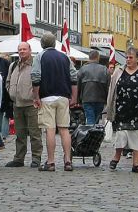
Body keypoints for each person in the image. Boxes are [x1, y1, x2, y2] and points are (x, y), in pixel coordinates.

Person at [106, 47, 138, 173]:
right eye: (127, 57)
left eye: (131, 57)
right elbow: (111, 90)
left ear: (137, 59)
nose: (128, 60)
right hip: (121, 109)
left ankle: (136, 163)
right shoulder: (118, 72)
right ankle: (116, 156)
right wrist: (109, 106)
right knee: (121, 135)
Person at [31, 32, 78, 172]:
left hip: (47, 96)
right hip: (63, 96)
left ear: (42, 44)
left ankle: (50, 162)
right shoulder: (65, 56)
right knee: (64, 129)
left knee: (50, 129)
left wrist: (36, 96)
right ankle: (68, 160)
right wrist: (74, 97)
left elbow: (36, 77)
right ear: (54, 43)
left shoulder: (40, 56)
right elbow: (74, 77)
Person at [5, 42, 43, 168]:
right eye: (20, 49)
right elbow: (8, 81)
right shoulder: (13, 65)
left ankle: (36, 158)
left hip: (32, 104)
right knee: (19, 133)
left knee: (34, 133)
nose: (22, 51)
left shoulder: (36, 64)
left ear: (30, 50)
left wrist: (36, 96)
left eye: (24, 49)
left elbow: (41, 82)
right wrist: (11, 92)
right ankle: (19, 158)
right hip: (17, 104)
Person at [76, 50, 110, 125]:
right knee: (96, 119)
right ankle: (94, 134)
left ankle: (91, 134)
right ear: (98, 57)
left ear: (89, 57)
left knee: (90, 118)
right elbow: (108, 87)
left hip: (86, 98)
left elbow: (78, 85)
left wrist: (77, 100)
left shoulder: (83, 69)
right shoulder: (105, 70)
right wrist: (108, 100)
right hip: (100, 99)